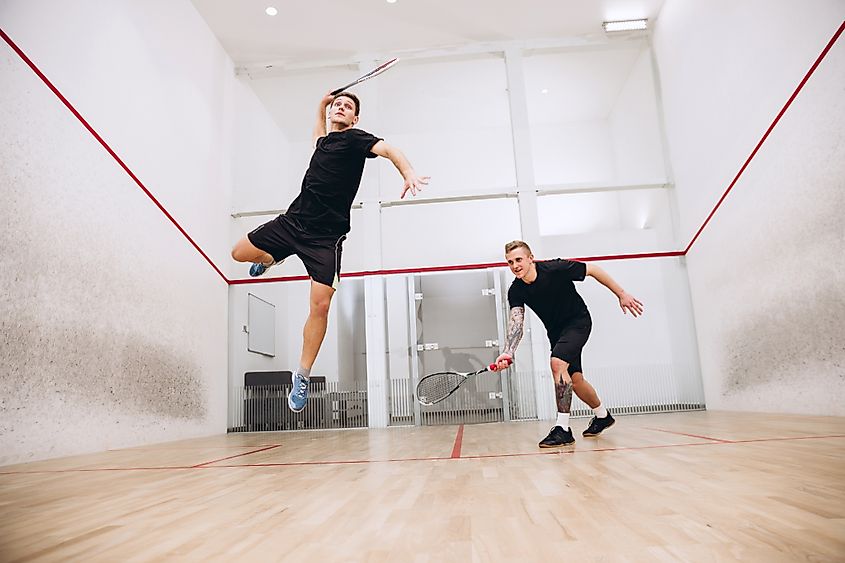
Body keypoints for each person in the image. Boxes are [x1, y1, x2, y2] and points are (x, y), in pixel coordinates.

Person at [231, 91, 429, 412]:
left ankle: (303, 375)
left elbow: (390, 149)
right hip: (293, 222)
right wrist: (321, 106)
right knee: (239, 253)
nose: (342, 107)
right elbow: (317, 131)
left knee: (320, 307)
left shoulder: (355, 140)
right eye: (339, 104)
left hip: (326, 239)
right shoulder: (323, 143)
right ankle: (272, 257)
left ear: (355, 119)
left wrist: (407, 173)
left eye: (348, 107)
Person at [493, 240, 643, 447]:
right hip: (556, 334)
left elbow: (593, 269)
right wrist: (508, 352)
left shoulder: (556, 268)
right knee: (576, 380)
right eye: (510, 262)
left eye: (518, 259)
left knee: (557, 364)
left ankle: (563, 428)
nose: (515, 265)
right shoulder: (516, 290)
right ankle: (603, 416)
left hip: (578, 322)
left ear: (530, 258)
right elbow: (517, 322)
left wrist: (621, 294)